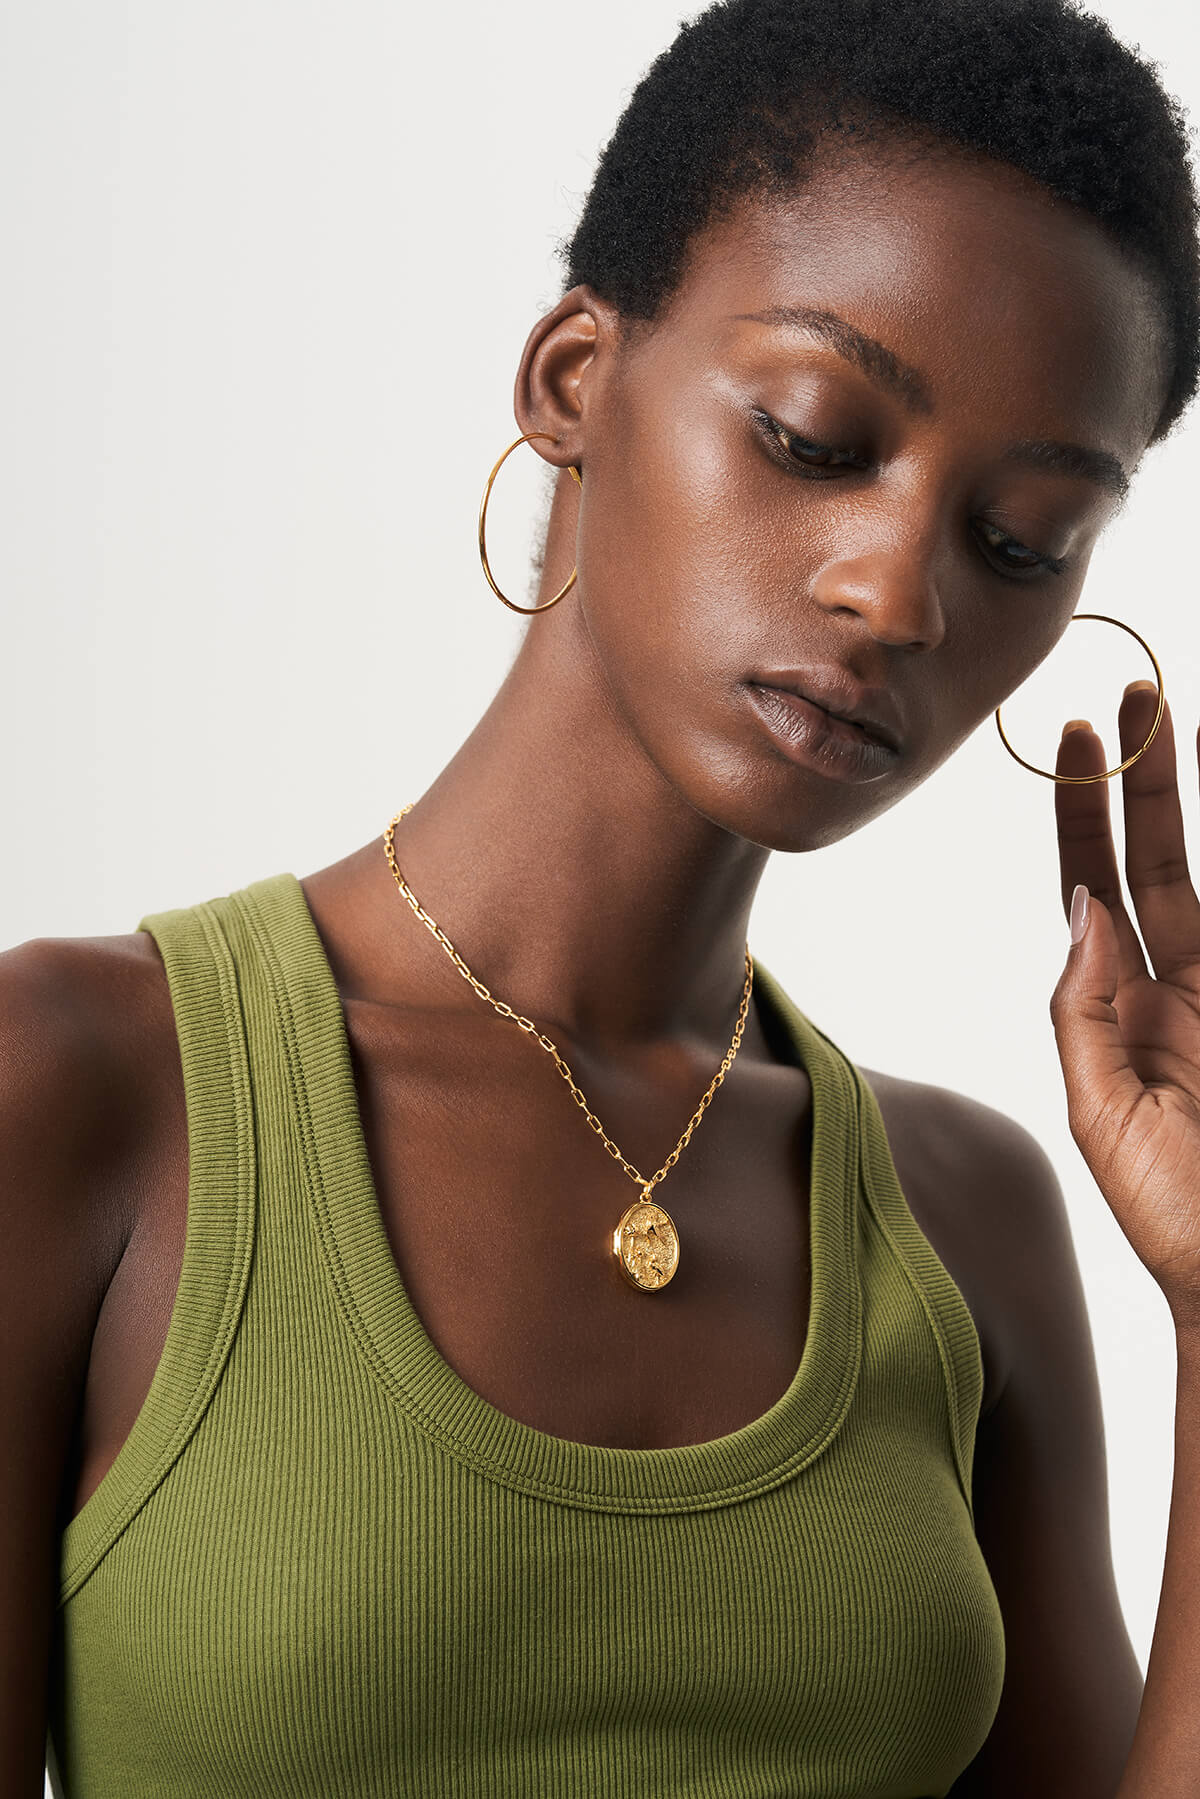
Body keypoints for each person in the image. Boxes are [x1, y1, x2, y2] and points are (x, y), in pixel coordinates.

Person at [5, 0, 1200, 1792]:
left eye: (1019, 538)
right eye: (813, 435)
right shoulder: (86, 1090)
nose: (901, 594)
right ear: (575, 381)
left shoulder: (971, 1222)